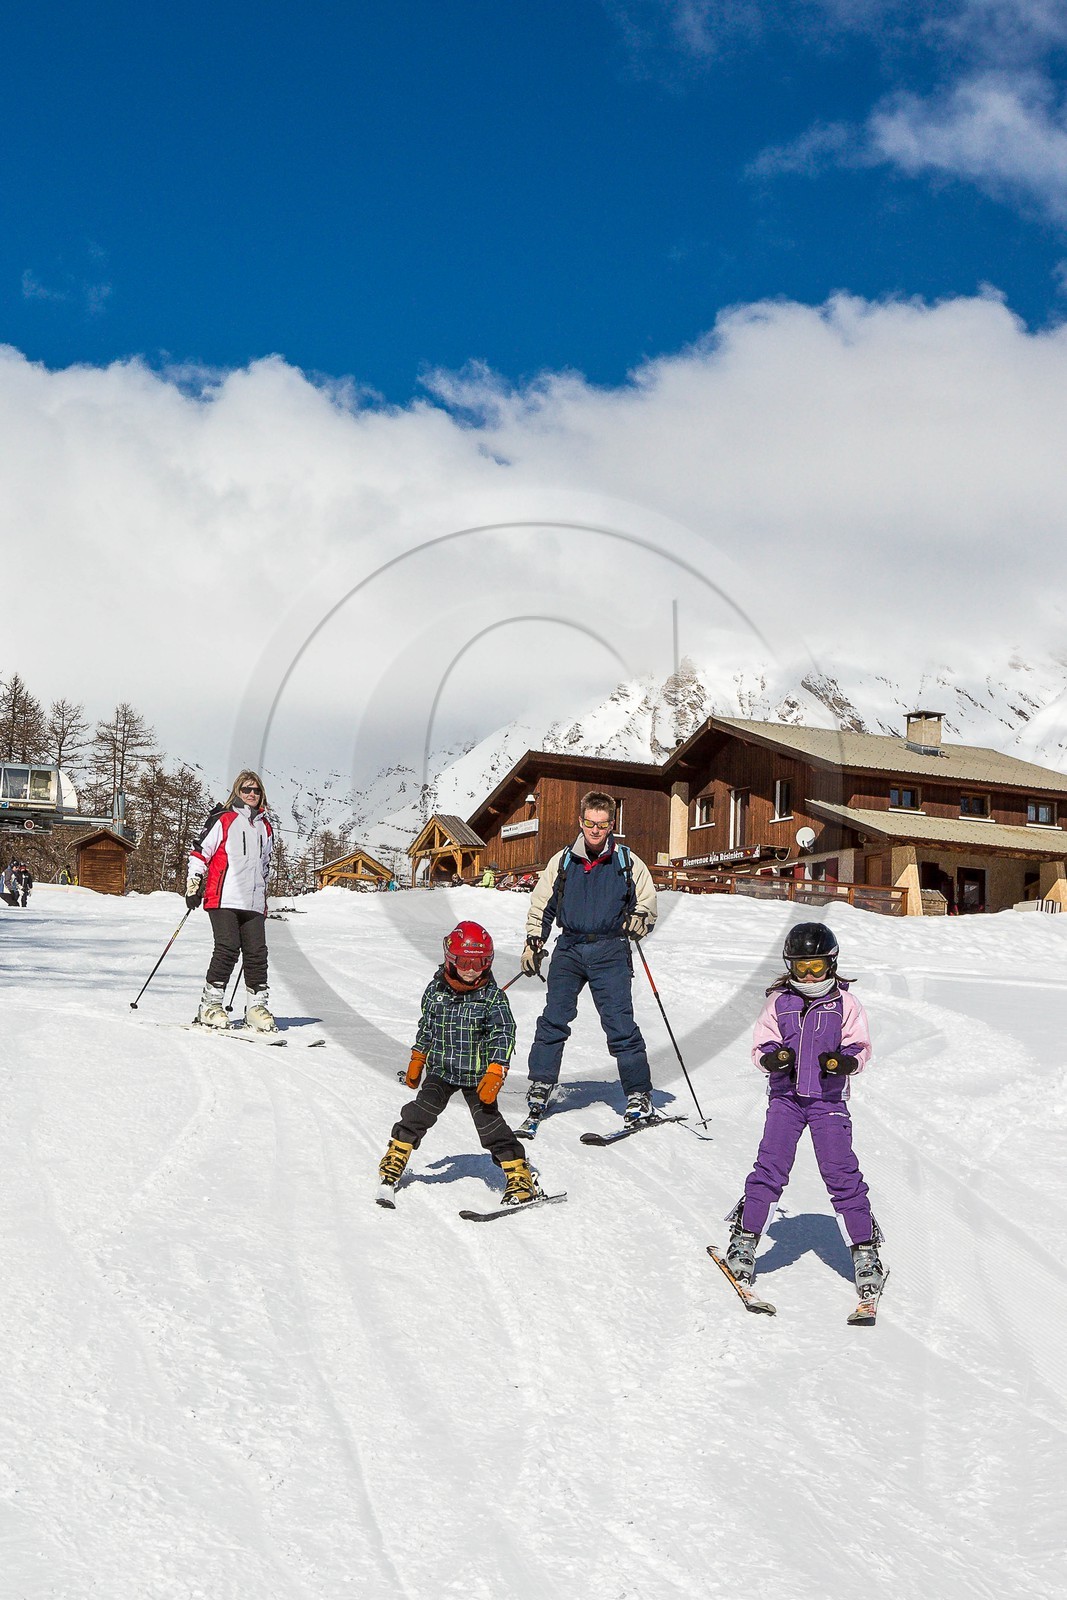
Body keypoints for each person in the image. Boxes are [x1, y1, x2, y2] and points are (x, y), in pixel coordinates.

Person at [724, 922, 885, 1304]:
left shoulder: (845, 1003)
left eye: (815, 967)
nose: (808, 975)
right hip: (786, 1100)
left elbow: (860, 1045)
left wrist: (845, 1063)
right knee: (770, 1167)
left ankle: (865, 1251)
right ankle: (745, 1239)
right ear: (789, 966)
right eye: (800, 968)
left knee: (841, 1172)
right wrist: (773, 1057)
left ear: (831, 964)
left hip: (828, 1101)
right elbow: (761, 1044)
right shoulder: (779, 1002)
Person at [377, 921, 542, 1205]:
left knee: (489, 1126)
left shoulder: (493, 998)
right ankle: (396, 1154)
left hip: (478, 1074)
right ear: (450, 959)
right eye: (464, 961)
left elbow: (503, 1033)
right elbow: (427, 1026)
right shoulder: (435, 991)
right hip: (442, 1070)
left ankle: (519, 1175)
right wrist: (418, 1056)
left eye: (479, 962)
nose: (471, 969)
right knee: (420, 1112)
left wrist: (496, 1068)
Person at [520, 791, 658, 1127]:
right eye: (590, 823)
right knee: (554, 1017)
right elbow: (542, 905)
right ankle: (541, 1083)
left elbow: (648, 904)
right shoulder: (564, 860)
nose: (596, 829)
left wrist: (639, 920)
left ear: (612, 824)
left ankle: (638, 1094)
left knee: (620, 1024)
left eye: (603, 824)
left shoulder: (627, 861)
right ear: (580, 821)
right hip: (569, 948)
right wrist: (533, 944)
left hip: (610, 950)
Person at [185, 770, 275, 1032]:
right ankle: (210, 1006)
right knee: (227, 948)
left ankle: (257, 1007)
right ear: (237, 791)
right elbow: (200, 853)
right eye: (246, 789)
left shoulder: (265, 826)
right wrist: (194, 884)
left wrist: (263, 894)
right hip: (223, 896)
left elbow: (266, 864)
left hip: (253, 900)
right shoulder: (223, 820)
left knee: (257, 954)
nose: (251, 794)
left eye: (256, 790)